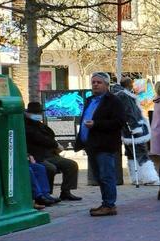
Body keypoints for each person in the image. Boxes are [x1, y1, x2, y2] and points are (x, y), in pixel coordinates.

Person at [76, 73, 124, 216]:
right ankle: (105, 203)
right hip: (91, 145)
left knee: (106, 175)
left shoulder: (114, 101)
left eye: (99, 82)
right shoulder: (90, 100)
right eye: (93, 82)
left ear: (106, 85)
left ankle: (109, 205)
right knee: (99, 176)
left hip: (105, 145)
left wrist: (96, 124)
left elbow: (119, 122)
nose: (95, 85)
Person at [23, 102, 81, 202]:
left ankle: (66, 192)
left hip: (50, 154)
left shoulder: (40, 125)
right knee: (50, 168)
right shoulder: (26, 125)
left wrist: (54, 145)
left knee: (71, 164)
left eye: (39, 113)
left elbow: (50, 135)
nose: (38, 115)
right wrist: (55, 144)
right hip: (37, 156)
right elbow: (40, 138)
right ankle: (46, 194)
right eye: (36, 113)